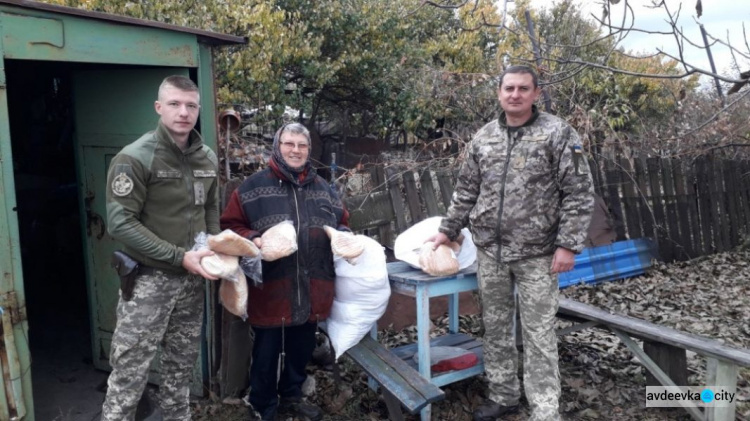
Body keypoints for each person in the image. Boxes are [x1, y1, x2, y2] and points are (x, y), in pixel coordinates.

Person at [429, 65, 595, 421]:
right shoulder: (484, 137)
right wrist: (448, 229)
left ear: (536, 93)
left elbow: (579, 193)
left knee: (538, 335)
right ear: (499, 93)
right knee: (497, 328)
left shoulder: (559, 134)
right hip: (491, 252)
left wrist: (568, 245)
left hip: (539, 254)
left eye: (523, 88)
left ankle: (545, 410)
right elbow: (467, 190)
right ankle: (504, 395)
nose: (515, 95)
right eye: (509, 88)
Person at [101, 75, 220, 420]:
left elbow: (209, 206)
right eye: (174, 104)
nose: (183, 112)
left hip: (192, 280)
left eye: (190, 105)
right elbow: (120, 223)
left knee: (180, 368)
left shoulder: (206, 157)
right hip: (148, 281)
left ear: (198, 110)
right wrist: (178, 256)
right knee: (129, 371)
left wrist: (213, 247)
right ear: (159, 107)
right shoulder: (135, 158)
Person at [220, 123, 349, 421]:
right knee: (265, 353)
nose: (295, 150)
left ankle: (292, 395)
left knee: (301, 347)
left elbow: (343, 221)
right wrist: (253, 238)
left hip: (312, 284)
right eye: (289, 144)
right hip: (271, 287)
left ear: (308, 150)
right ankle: (263, 405)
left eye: (301, 145)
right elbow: (230, 226)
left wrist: (343, 234)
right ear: (278, 147)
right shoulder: (252, 188)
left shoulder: (324, 189)